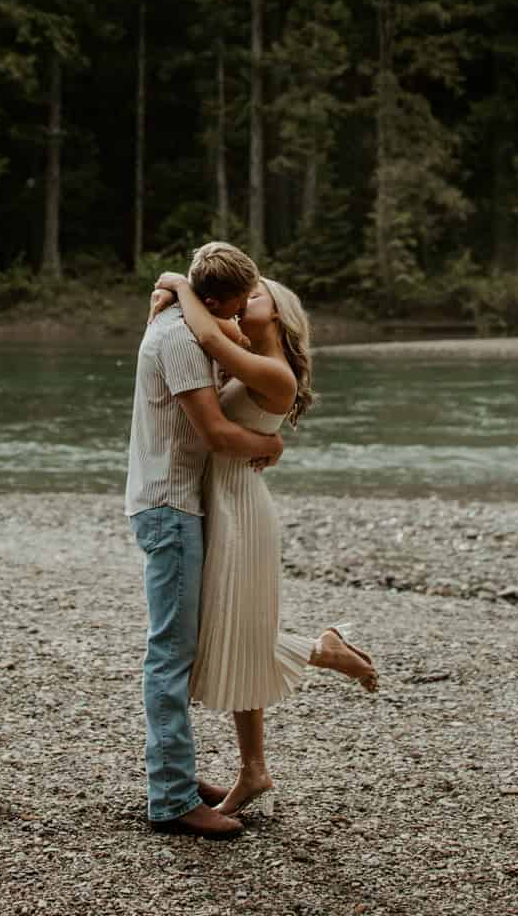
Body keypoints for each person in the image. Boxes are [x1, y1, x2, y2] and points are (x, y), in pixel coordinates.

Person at [151, 267, 379, 817]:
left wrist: (180, 288)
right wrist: (167, 288)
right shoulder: (241, 342)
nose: (241, 300)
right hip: (216, 499)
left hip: (240, 510)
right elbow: (191, 329)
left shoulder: (273, 371)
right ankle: (254, 768)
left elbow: (203, 333)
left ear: (275, 312)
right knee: (231, 630)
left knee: (232, 631)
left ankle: (322, 652)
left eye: (253, 295)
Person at [126, 238, 280, 840]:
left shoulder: (183, 318)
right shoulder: (182, 339)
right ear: (215, 300)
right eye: (238, 306)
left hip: (173, 501)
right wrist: (268, 446)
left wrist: (177, 285)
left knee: (177, 651)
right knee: (169, 655)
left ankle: (179, 778)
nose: (242, 316)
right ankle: (169, 799)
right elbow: (216, 432)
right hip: (170, 506)